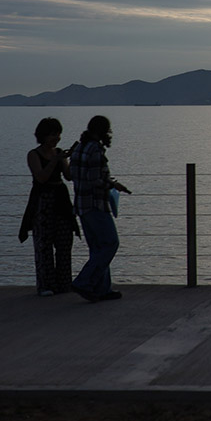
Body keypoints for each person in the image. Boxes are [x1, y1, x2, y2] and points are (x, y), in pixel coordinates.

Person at [70, 115, 130, 302]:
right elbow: (95, 180)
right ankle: (84, 281)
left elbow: (73, 176)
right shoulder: (95, 149)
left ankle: (102, 289)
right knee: (111, 243)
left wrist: (112, 183)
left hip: (81, 205)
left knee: (97, 248)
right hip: (96, 204)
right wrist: (111, 185)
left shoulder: (79, 147)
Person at [19, 117, 79, 296]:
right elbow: (41, 177)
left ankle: (63, 283)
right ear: (43, 135)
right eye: (53, 135)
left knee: (64, 243)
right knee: (43, 244)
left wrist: (72, 158)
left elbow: (68, 176)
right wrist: (56, 160)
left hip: (60, 200)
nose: (56, 138)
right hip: (42, 202)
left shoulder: (59, 152)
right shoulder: (33, 154)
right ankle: (46, 285)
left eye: (58, 134)